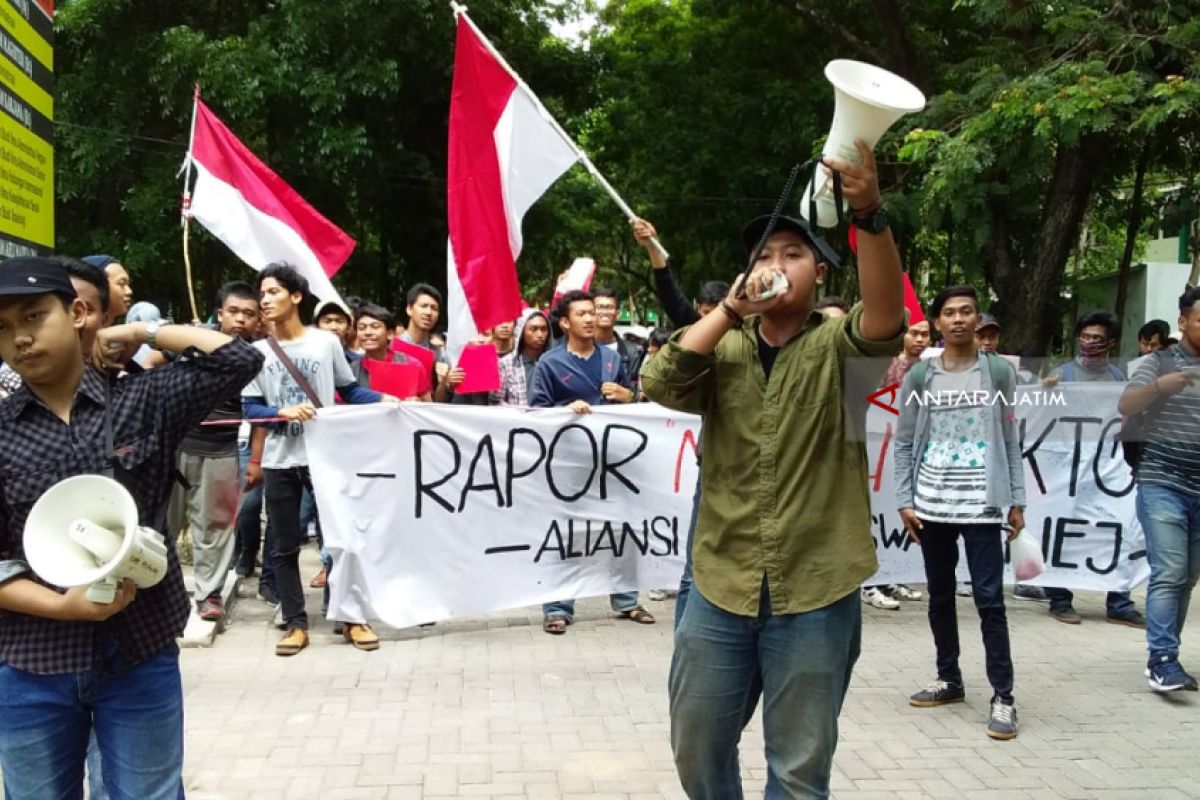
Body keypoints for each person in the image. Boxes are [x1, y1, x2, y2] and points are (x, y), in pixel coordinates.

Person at [643, 139, 905, 796]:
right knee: (697, 743)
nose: (775, 265)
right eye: (763, 255)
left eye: (794, 254)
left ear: (821, 275)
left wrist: (867, 209)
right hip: (719, 583)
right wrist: (730, 310)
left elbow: (885, 319)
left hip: (817, 589)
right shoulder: (723, 343)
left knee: (798, 768)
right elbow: (658, 380)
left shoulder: (841, 351)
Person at [0, 256, 263, 798]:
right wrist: (62, 606)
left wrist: (141, 330)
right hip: (30, 666)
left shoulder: (143, 400)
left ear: (77, 312)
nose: (19, 339)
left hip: (140, 654)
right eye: (2, 330)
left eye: (32, 317)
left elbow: (239, 360)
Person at [241, 263, 395, 656]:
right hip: (279, 461)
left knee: (341, 540)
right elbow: (251, 410)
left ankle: (351, 618)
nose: (265, 300)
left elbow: (350, 391)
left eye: (273, 292)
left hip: (326, 460)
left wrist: (384, 400)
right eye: (262, 294)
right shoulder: (257, 353)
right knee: (283, 546)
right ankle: (295, 623)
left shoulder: (326, 344)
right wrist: (282, 412)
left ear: (295, 296)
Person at [895, 284, 1025, 741]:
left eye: (966, 312)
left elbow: (1011, 439)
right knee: (940, 595)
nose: (958, 319)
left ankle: (1003, 697)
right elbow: (906, 440)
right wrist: (905, 499)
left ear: (977, 320)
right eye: (949, 312)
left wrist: (1017, 499)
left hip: (983, 506)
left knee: (990, 601)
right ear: (937, 323)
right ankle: (949, 678)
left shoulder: (999, 373)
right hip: (932, 504)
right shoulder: (920, 377)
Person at [530, 289, 654, 634]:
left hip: (612, 460)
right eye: (581, 314)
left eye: (592, 312)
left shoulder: (613, 359)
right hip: (568, 465)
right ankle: (557, 606)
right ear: (566, 322)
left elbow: (631, 408)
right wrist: (563, 412)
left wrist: (625, 397)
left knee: (621, 529)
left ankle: (627, 600)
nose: (590, 318)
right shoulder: (549, 363)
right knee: (566, 534)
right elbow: (535, 411)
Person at [633, 219, 724, 626]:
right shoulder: (695, 341)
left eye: (715, 316)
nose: (707, 324)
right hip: (717, 463)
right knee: (696, 559)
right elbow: (670, 293)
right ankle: (688, 632)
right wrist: (654, 247)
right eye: (701, 317)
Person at [1119, 286, 1200, 692]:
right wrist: (1160, 386)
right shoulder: (1159, 362)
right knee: (1169, 571)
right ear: (1183, 322)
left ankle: (1170, 656)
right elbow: (1127, 404)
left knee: (1186, 577)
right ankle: (1162, 659)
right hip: (1162, 482)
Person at [1042, 311, 1145, 627]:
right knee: (1063, 530)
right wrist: (1044, 392)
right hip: (1069, 470)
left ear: (1110, 343)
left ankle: (1119, 600)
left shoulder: (1118, 380)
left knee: (1117, 528)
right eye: (1084, 337)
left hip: (1108, 470)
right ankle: (1059, 598)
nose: (1089, 344)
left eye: (1097, 339)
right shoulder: (1064, 375)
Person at [166, 282, 260, 621]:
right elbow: (150, 363)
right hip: (174, 448)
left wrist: (257, 460)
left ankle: (209, 595)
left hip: (222, 451)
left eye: (249, 314)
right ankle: (157, 589)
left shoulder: (255, 358)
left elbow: (261, 414)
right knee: (163, 525)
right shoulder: (191, 343)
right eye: (233, 312)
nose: (240, 320)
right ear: (219, 313)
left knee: (216, 528)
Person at [863, 316, 932, 610]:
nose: (919, 340)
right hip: (879, 455)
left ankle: (894, 574)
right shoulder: (885, 365)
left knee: (898, 515)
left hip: (911, 454)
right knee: (875, 514)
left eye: (925, 335)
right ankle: (869, 583)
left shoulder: (932, 369)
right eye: (914, 333)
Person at [351, 303, 432, 401]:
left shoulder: (412, 365)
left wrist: (417, 403)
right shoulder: (351, 371)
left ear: (390, 334)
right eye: (362, 328)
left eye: (375, 327)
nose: (368, 332)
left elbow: (427, 405)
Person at [492, 308, 550, 406]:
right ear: (521, 331)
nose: (540, 335)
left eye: (543, 329)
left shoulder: (553, 363)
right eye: (533, 329)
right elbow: (495, 401)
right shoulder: (505, 364)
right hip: (516, 419)